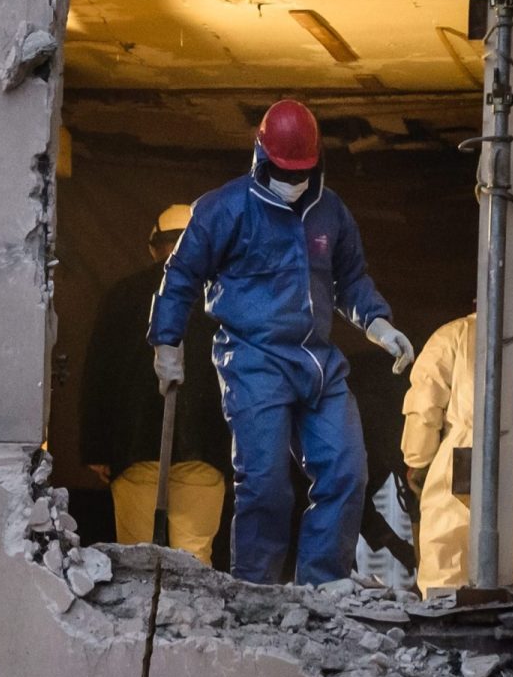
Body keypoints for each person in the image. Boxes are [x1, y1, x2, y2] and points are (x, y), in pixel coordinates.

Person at [148, 100, 414, 585]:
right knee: (266, 485)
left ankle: (322, 583)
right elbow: (181, 274)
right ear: (260, 156)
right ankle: (256, 588)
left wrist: (378, 323)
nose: (293, 180)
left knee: (347, 473)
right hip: (253, 360)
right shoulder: (225, 209)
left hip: (319, 365)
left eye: (303, 171)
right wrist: (167, 341)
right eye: (283, 169)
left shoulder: (330, 212)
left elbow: (351, 280)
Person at [81, 204, 228, 563]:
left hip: (133, 449)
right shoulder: (224, 299)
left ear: (153, 247)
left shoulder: (122, 295)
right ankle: (190, 620)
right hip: (207, 450)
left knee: (138, 562)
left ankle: (144, 621)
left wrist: (96, 449)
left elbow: (98, 372)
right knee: (194, 561)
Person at [401, 312, 476, 592]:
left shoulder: (453, 334)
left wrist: (416, 460)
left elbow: (424, 407)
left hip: (463, 458)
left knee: (447, 565)